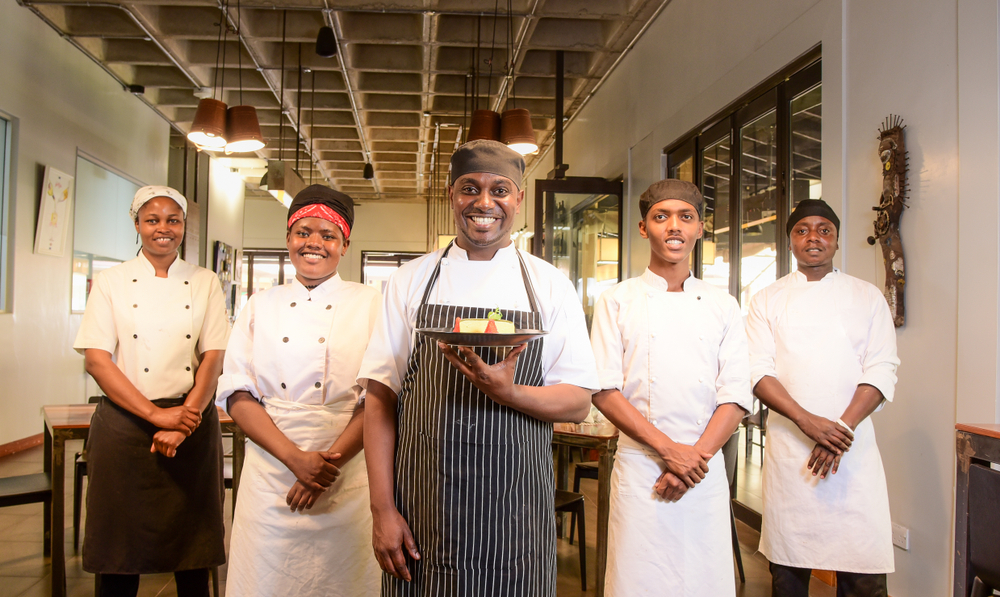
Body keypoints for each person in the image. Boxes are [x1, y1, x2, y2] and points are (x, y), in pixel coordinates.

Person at [359, 139, 599, 597]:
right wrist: (382, 510)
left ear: (519, 199)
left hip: (516, 516)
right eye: (470, 188)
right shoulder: (409, 281)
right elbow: (380, 399)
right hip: (424, 511)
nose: (484, 203)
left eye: (499, 190)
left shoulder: (550, 285)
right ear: (451, 194)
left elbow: (578, 402)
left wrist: (510, 392)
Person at [216, 185, 381, 597]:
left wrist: (322, 471)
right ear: (288, 238)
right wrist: (295, 460)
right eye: (303, 232)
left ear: (345, 244)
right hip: (271, 472)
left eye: (328, 235)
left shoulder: (371, 303)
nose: (313, 243)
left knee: (344, 582)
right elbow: (237, 393)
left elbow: (379, 397)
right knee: (266, 581)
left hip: (345, 469)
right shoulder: (260, 304)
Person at [590, 179, 751, 596]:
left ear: (700, 228)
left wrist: (691, 461)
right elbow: (604, 390)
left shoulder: (723, 305)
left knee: (705, 582)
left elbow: (736, 394)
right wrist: (669, 451)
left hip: (702, 470)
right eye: (661, 217)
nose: (674, 226)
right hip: (642, 467)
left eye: (686, 217)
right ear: (644, 228)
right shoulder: (617, 300)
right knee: (637, 582)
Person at [73, 185, 228, 597]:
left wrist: (183, 421)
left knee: (193, 547)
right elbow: (97, 360)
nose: (163, 228)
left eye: (173, 220)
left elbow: (213, 358)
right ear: (137, 224)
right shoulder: (111, 281)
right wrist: (157, 415)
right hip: (125, 425)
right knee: (118, 548)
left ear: (183, 226)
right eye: (152, 220)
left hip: (190, 424)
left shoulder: (204, 281)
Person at [746, 199, 900, 597]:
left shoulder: (867, 296)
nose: (813, 237)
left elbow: (881, 369)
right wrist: (807, 421)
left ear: (836, 240)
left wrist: (840, 429)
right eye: (802, 230)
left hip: (853, 452)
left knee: (864, 577)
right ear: (790, 242)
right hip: (791, 455)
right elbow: (758, 372)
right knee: (788, 576)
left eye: (824, 229)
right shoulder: (766, 300)